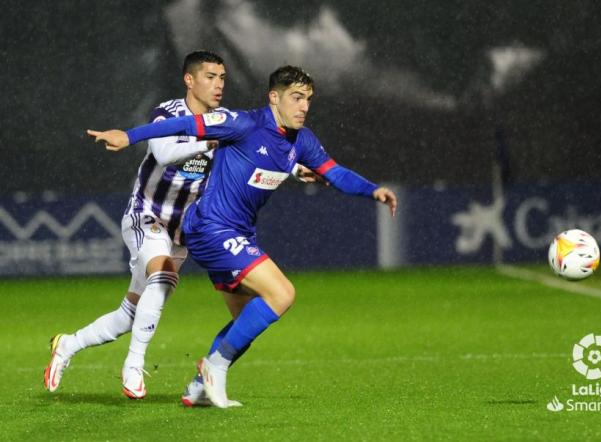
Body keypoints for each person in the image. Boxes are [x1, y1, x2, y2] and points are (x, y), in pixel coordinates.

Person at [88, 65, 398, 408]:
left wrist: (373, 191)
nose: (304, 107)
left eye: (308, 99)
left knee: (245, 321)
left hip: (235, 232)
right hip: (209, 228)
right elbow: (187, 125)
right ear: (274, 98)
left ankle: (198, 387)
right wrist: (129, 136)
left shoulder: (303, 141)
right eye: (296, 98)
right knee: (282, 293)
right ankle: (214, 368)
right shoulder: (244, 123)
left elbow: (335, 172)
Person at [44, 52, 319, 401]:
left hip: (183, 228)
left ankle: (67, 344)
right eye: (210, 76)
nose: (218, 84)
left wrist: (296, 170)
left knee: (132, 311)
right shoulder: (170, 113)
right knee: (161, 278)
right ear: (189, 80)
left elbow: (257, 152)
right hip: (148, 214)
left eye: (222, 77)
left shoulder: (224, 120)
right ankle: (133, 365)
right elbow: (163, 154)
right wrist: (211, 141)